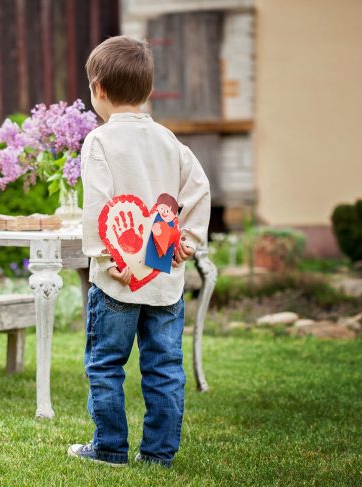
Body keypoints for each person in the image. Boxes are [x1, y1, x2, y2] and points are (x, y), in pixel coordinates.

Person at [68, 36, 211, 467]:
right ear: (148, 92)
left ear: (98, 89)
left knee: (106, 363)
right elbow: (197, 190)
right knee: (164, 367)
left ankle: (110, 448)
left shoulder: (100, 141)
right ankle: (158, 455)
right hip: (164, 274)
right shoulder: (169, 141)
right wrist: (188, 240)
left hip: (117, 277)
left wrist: (104, 255)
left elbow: (97, 201)